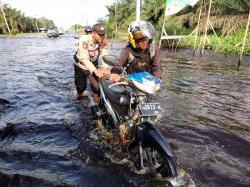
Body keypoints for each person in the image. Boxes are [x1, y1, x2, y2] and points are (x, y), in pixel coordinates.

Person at [74, 23, 109, 100]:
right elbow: (84, 59)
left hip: (93, 64)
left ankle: (96, 103)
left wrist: (104, 68)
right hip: (81, 66)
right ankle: (80, 100)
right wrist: (95, 71)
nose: (102, 37)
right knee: (81, 88)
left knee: (97, 88)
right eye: (100, 35)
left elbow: (105, 56)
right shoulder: (84, 40)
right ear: (93, 33)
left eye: (103, 35)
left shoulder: (103, 42)